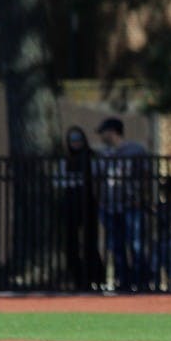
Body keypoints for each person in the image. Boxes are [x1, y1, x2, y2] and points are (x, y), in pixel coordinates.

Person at [95, 116, 150, 291]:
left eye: (103, 132)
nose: (101, 136)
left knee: (135, 243)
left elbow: (147, 177)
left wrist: (142, 197)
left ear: (112, 132)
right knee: (115, 246)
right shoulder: (103, 154)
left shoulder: (135, 150)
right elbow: (97, 180)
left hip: (131, 205)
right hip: (109, 206)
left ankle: (141, 281)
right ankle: (123, 281)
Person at [60, 126, 104, 290]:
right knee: (71, 243)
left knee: (90, 243)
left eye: (78, 139)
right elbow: (61, 181)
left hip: (89, 205)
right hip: (71, 205)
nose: (75, 143)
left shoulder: (91, 158)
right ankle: (78, 279)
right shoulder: (66, 160)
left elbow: (97, 182)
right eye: (72, 140)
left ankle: (96, 278)